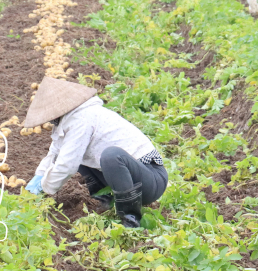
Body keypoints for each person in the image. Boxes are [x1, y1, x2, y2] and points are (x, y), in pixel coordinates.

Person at [23, 77, 168, 228]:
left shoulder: (82, 118)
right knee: (79, 155)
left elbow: (67, 165)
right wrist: (38, 178)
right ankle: (104, 201)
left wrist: (45, 187)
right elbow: (55, 154)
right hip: (131, 178)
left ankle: (130, 218)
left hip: (151, 181)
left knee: (110, 156)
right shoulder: (69, 121)